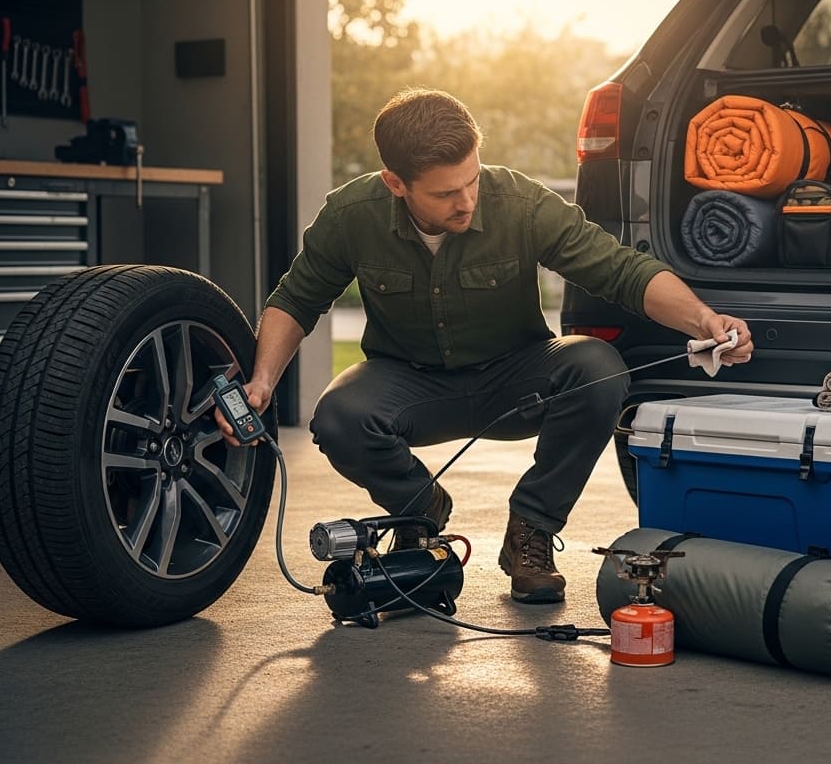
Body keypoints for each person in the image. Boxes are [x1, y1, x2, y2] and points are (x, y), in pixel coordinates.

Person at [218, 88, 753, 604]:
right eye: (446, 193)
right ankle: (419, 512)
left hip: (515, 379)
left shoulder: (519, 202)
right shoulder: (350, 215)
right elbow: (295, 299)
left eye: (472, 181)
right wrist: (262, 381)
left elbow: (621, 271)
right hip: (410, 383)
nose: (466, 201)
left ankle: (532, 531)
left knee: (597, 366)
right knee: (337, 416)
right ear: (396, 183)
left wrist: (703, 319)